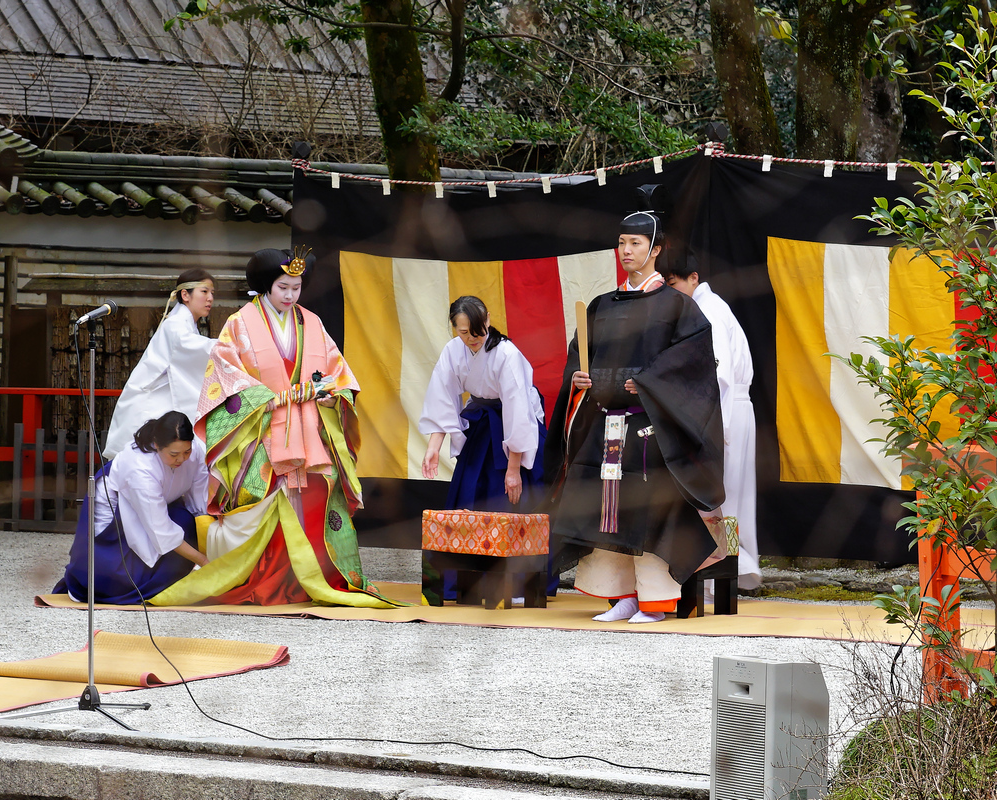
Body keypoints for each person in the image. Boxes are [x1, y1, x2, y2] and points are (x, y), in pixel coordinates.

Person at [147, 248, 396, 609]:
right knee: (264, 501)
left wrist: (332, 396)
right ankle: (266, 577)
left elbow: (337, 371)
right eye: (283, 287)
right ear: (267, 285)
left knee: (315, 497)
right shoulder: (240, 323)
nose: (291, 295)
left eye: (296, 287)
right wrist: (266, 399)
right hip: (262, 431)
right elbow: (224, 376)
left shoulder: (311, 322)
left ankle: (314, 578)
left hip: (309, 428)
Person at [544, 197, 725, 624]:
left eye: (635, 243)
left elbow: (693, 363)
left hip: (649, 429)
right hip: (604, 426)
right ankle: (621, 596)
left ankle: (656, 601)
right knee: (607, 512)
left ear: (655, 249)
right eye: (621, 243)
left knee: (648, 512)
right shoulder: (602, 306)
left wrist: (648, 383)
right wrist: (578, 380)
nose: (626, 251)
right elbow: (579, 356)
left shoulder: (677, 306)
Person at [663, 256, 761, 591]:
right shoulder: (704, 308)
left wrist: (719, 431)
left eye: (674, 284)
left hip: (725, 410)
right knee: (726, 500)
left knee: (720, 499)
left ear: (693, 278)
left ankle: (722, 576)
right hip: (728, 408)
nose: (671, 292)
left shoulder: (709, 311)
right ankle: (728, 575)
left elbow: (719, 377)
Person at [55, 411, 209, 604]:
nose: (181, 459)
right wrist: (203, 561)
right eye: (174, 454)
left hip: (157, 512)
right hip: (114, 529)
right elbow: (163, 534)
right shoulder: (139, 468)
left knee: (188, 523)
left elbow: (200, 502)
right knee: (113, 581)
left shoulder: (195, 452)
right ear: (156, 445)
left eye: (186, 452)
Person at [419, 295, 546, 511]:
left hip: (514, 427)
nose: (472, 337)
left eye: (477, 329)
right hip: (481, 423)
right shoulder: (453, 350)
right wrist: (433, 447)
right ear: (455, 328)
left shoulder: (507, 354)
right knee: (470, 490)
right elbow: (442, 397)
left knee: (511, 496)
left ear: (487, 319)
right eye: (464, 332)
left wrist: (514, 469)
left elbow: (518, 411)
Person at [102, 268, 216, 459]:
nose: (210, 298)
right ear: (185, 295)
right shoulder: (176, 324)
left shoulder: (185, 323)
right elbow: (196, 348)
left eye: (212, 293)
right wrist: (231, 344)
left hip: (161, 401)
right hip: (150, 404)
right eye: (204, 292)